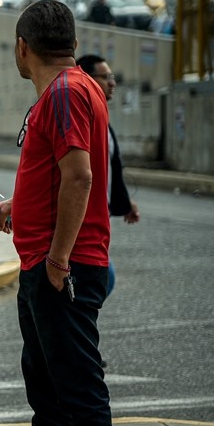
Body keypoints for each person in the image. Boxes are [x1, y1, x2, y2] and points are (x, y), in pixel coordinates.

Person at [0, 0, 112, 426]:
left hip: (64, 266)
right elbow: (61, 178)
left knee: (77, 388)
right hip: (42, 260)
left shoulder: (62, 92)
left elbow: (80, 178)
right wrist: (20, 209)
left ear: (22, 46)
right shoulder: (72, 89)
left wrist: (59, 259)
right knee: (47, 385)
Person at [77, 54, 140, 297]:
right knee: (105, 277)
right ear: (87, 79)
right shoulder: (84, 118)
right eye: (106, 77)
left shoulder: (102, 118)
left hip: (98, 225)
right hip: (84, 227)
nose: (112, 83)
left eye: (112, 77)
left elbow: (111, 169)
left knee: (103, 279)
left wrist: (124, 202)